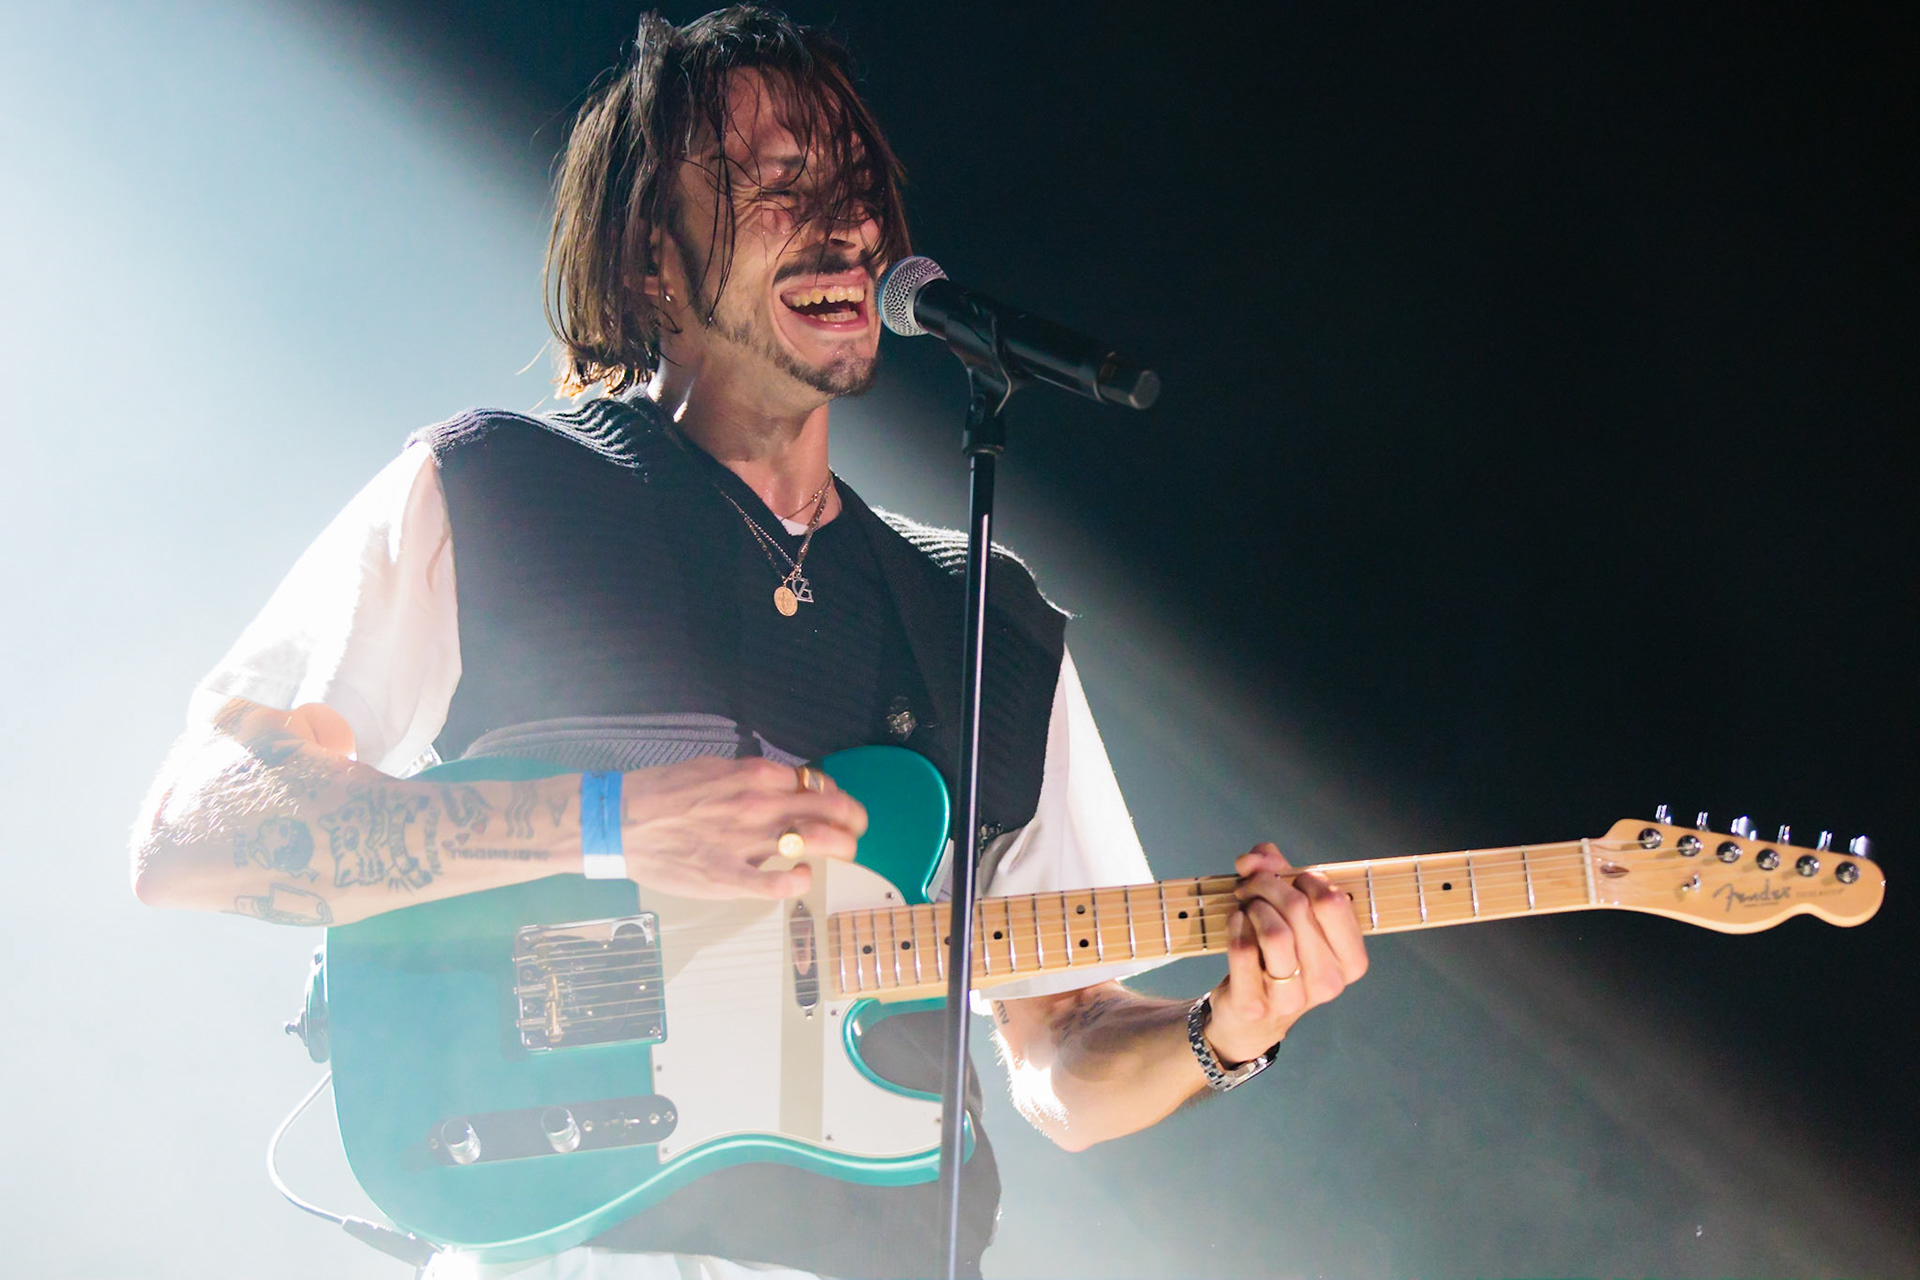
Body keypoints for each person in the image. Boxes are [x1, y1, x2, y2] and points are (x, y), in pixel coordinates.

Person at [130, 8, 1368, 1278]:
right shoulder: (494, 489)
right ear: (645, 257)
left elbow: (1062, 1050)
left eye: (857, 188)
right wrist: (607, 822)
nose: (846, 225)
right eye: (776, 183)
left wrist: (1230, 1026)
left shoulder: (982, 616)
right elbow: (191, 834)